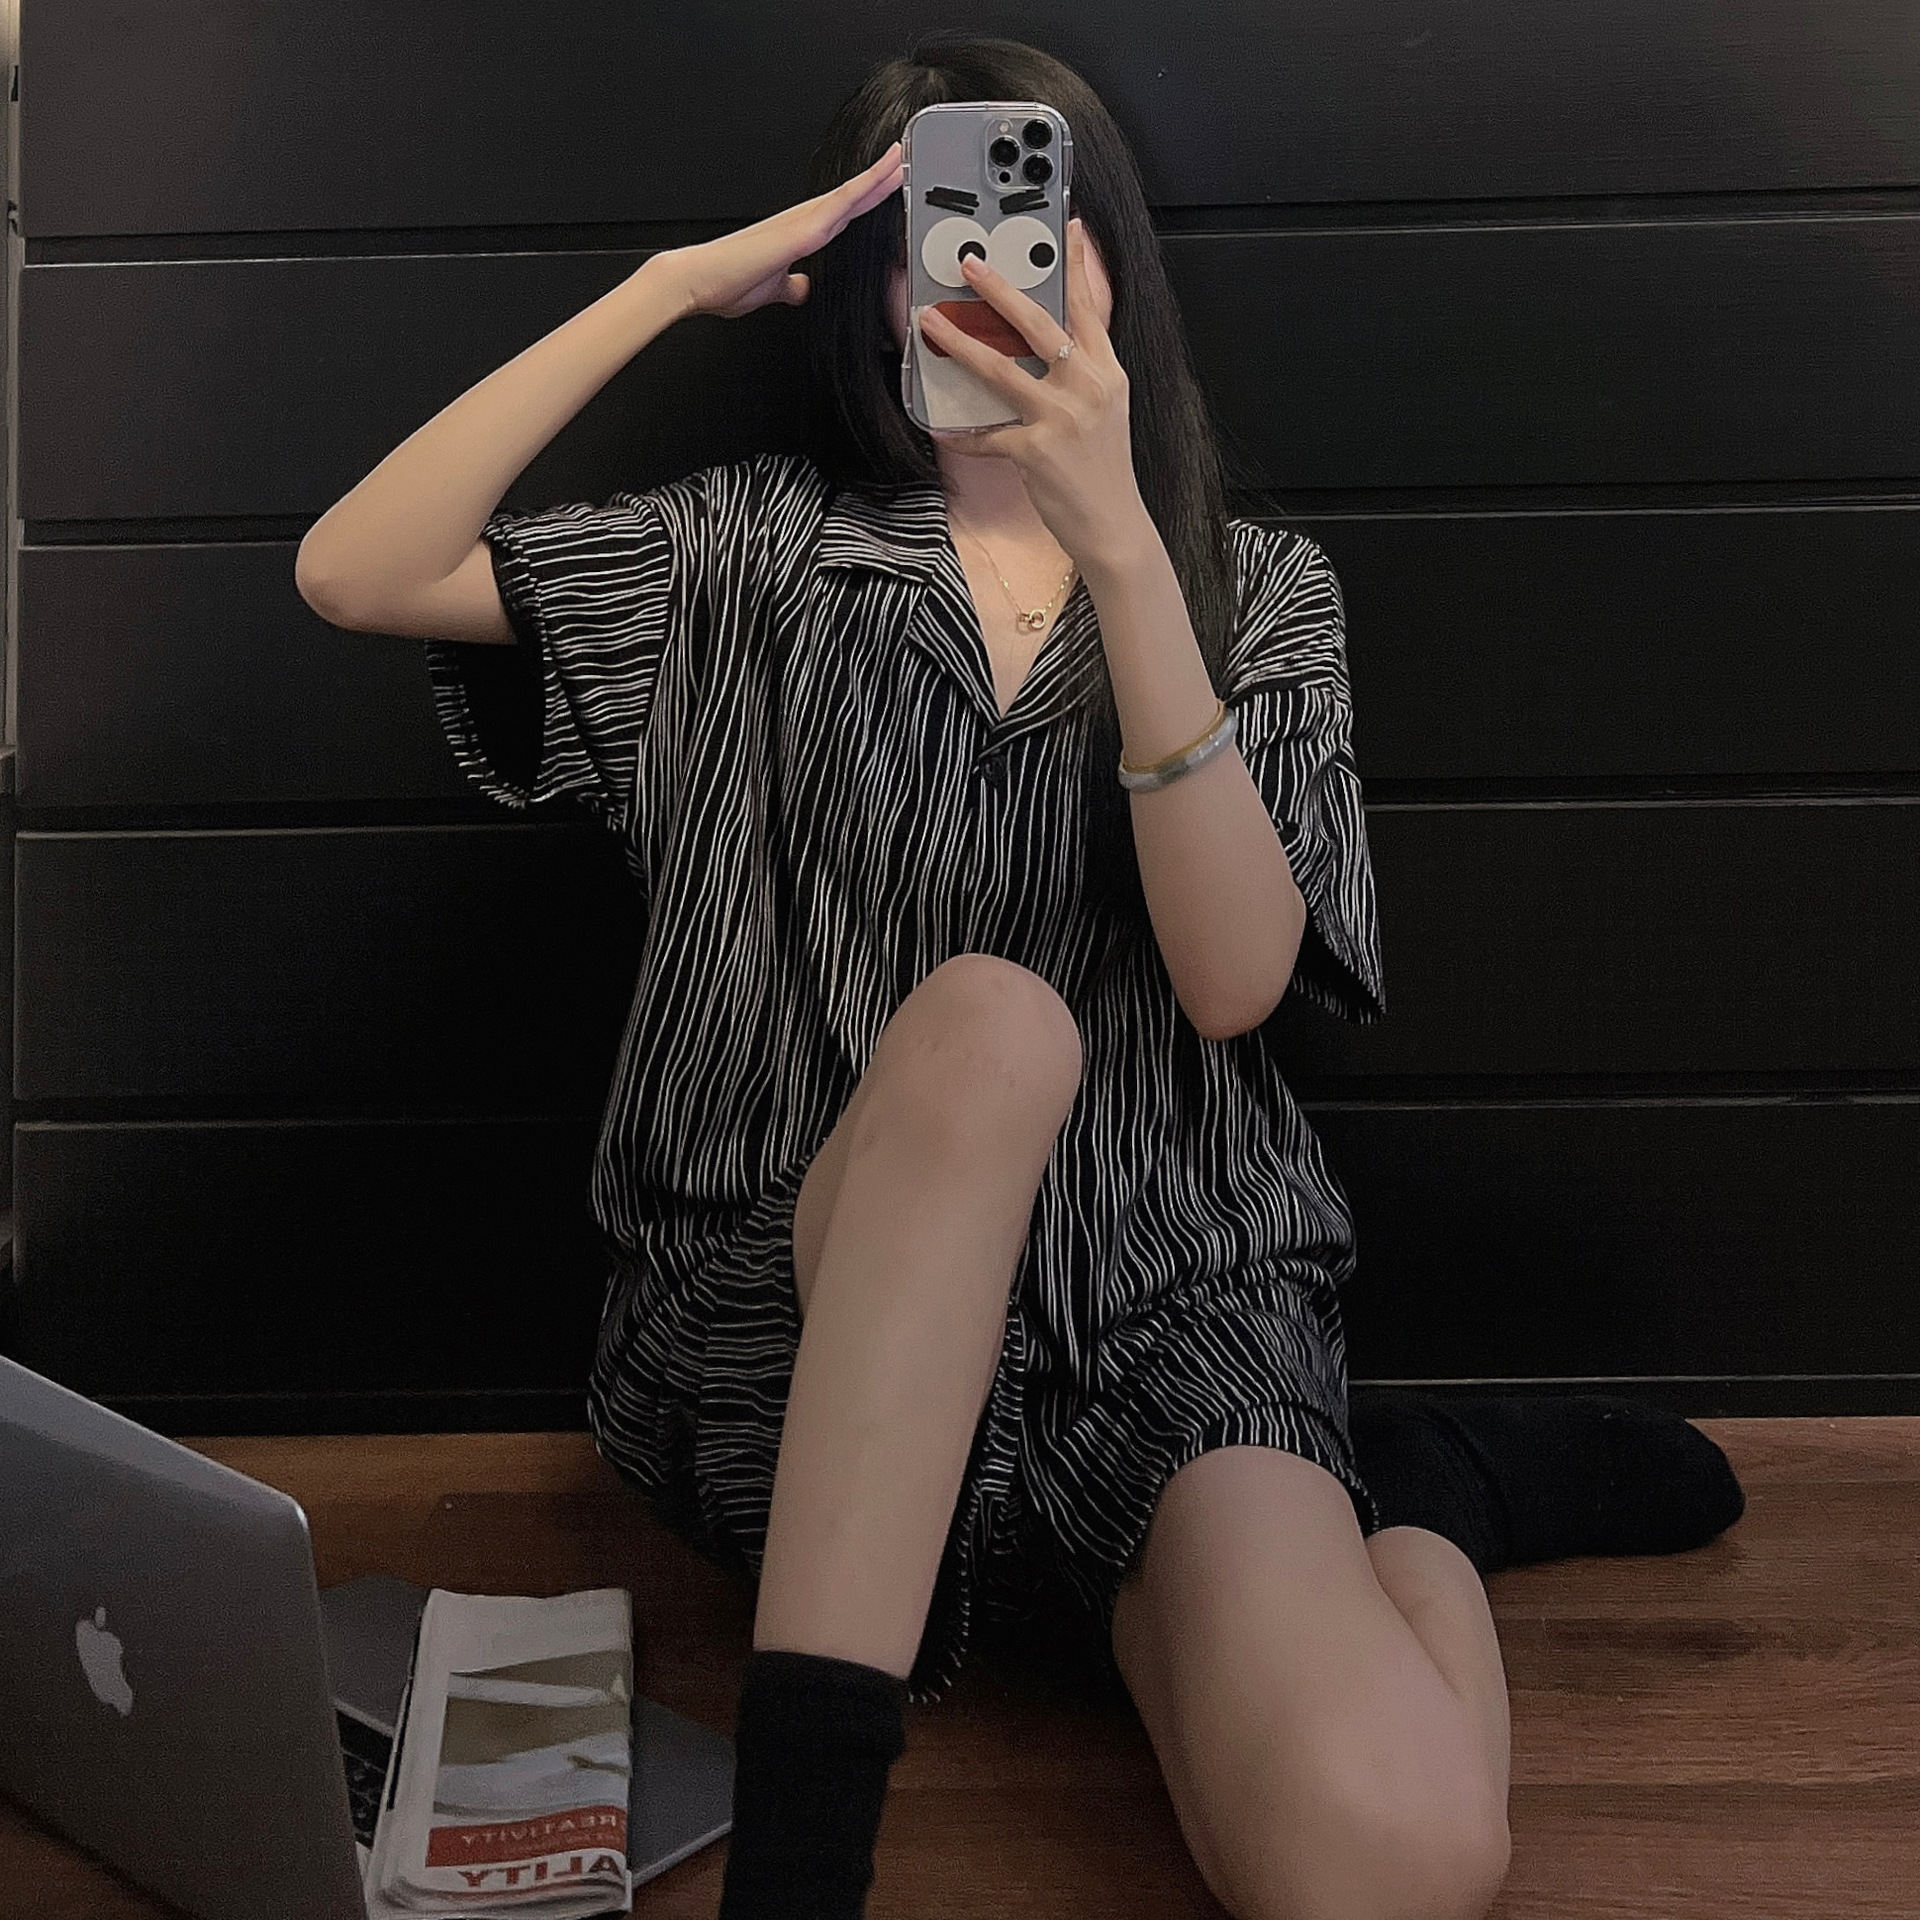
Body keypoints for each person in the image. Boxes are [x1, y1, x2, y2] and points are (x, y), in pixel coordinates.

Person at [295, 34, 1745, 1920]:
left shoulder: (1252, 592)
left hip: (1162, 1319)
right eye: (933, 236)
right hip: (797, 1326)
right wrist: (666, 289)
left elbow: (1234, 984)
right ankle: (804, 1867)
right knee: (990, 1024)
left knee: (1399, 1861)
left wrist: (1125, 552)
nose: (987, 277)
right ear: (862, 286)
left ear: (1109, 267)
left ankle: (1430, 1494)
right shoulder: (745, 560)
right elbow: (355, 568)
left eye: (1032, 227)